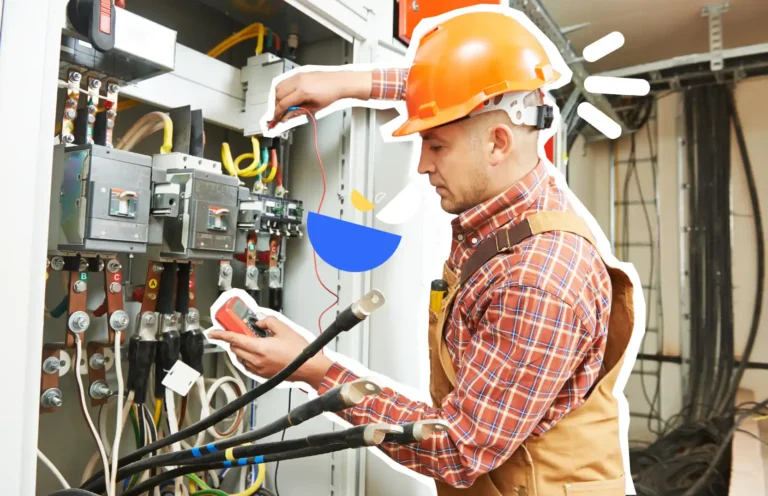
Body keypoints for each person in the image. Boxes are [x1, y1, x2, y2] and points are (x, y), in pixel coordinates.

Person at [210, 10, 635, 496]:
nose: (422, 165)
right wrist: (349, 84)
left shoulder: (538, 279)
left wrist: (317, 371)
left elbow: (457, 448)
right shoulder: (518, 193)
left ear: (497, 143)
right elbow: (457, 90)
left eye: (435, 146)